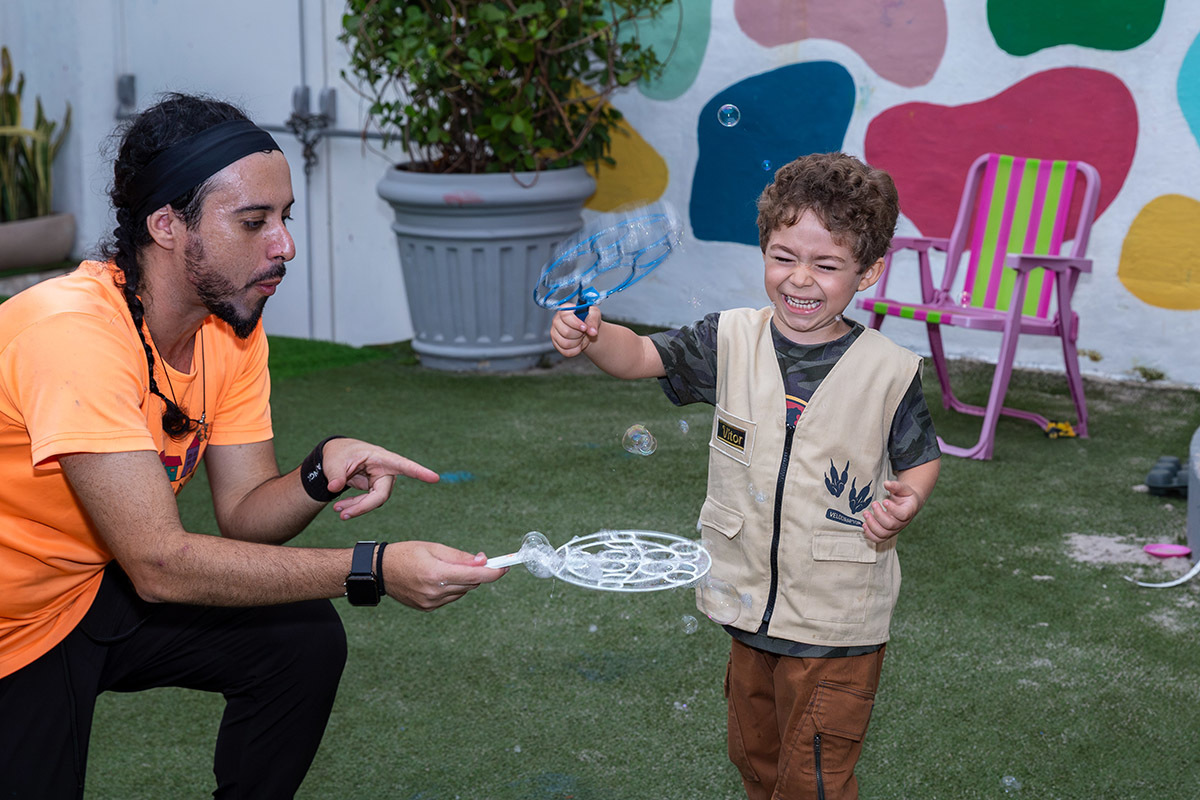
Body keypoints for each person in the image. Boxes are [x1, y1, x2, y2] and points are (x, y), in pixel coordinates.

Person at [0, 92, 506, 798]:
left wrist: (319, 473)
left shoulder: (230, 326)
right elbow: (160, 566)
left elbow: (242, 514)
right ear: (167, 224)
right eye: (254, 221)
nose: (285, 244)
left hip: (80, 590)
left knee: (298, 640)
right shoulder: (71, 334)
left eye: (285, 218)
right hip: (10, 625)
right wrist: (373, 567)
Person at [551, 152, 942, 799]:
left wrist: (908, 499)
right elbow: (641, 357)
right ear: (764, 249)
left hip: (836, 623)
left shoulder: (890, 369)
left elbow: (920, 456)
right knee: (755, 760)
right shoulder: (727, 338)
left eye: (826, 264)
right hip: (748, 610)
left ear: (868, 272)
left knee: (814, 781)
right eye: (784, 256)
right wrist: (593, 335)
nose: (801, 280)